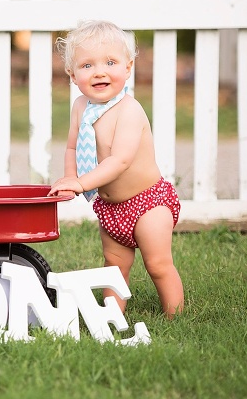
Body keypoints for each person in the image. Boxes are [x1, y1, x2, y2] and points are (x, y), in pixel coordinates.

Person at [48, 20, 184, 319]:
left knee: (158, 264)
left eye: (110, 62)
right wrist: (71, 176)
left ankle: (176, 317)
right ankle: (112, 316)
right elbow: (72, 146)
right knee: (114, 266)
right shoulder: (80, 107)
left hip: (148, 203)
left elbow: (119, 161)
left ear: (128, 67)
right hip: (111, 207)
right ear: (72, 75)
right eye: (87, 65)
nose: (99, 71)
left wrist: (82, 184)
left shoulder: (129, 110)